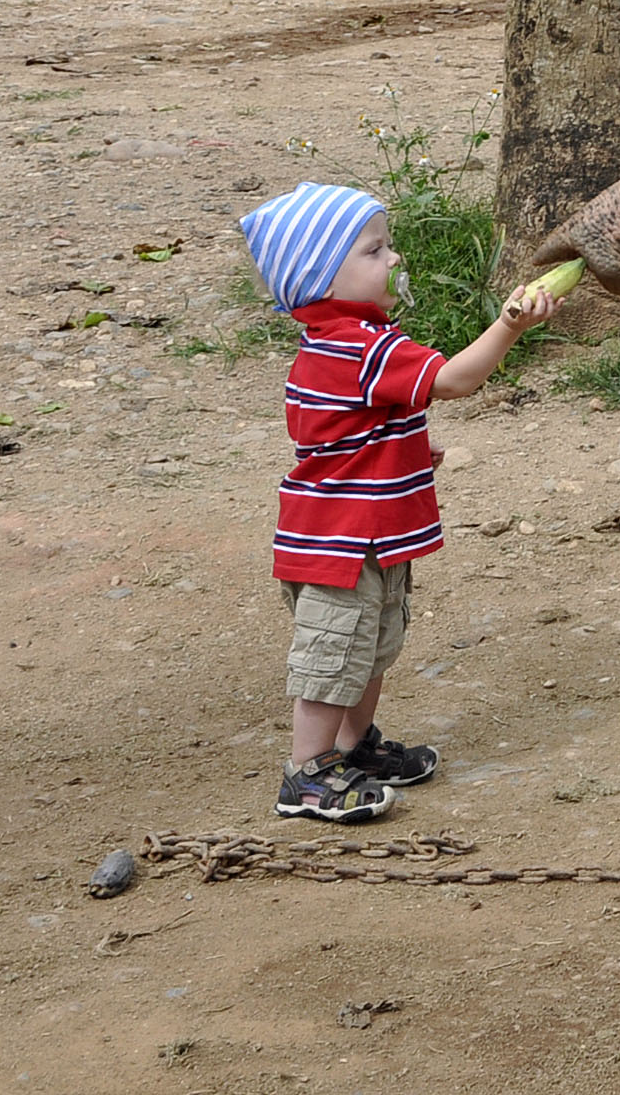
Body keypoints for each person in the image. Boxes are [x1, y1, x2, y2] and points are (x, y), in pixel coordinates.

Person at [238, 183, 561, 823]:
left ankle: (352, 750)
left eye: (388, 245)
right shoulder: (358, 345)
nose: (393, 259)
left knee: (371, 647)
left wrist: (407, 452)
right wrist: (509, 325)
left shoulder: (341, 343)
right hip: (343, 541)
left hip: (369, 535)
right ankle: (306, 773)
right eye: (372, 250)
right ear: (320, 275)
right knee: (332, 655)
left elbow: (330, 434)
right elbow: (455, 380)